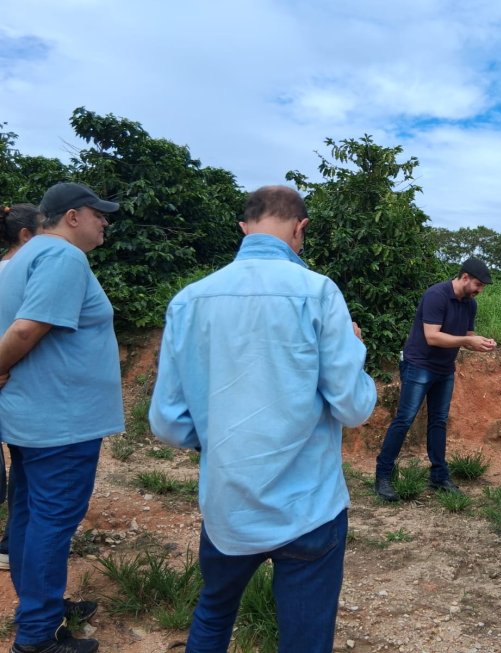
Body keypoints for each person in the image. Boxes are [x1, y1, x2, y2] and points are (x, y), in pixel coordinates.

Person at [149, 185, 377, 653]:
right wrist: (355, 349)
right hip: (309, 509)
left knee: (213, 615)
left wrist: (222, 438)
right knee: (305, 641)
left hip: (228, 507)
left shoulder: (190, 300)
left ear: (244, 227)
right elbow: (353, 408)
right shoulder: (317, 292)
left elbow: (168, 423)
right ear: (301, 228)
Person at [0, 183, 124, 653]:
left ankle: (39, 606)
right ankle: (36, 637)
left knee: (30, 517)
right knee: (52, 521)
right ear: (72, 216)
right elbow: (28, 328)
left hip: (34, 415)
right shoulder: (63, 258)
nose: (105, 222)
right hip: (61, 422)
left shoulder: (21, 259)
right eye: (99, 214)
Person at [374, 257, 497, 502]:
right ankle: (383, 476)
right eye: (478, 285)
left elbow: (467, 336)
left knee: (439, 421)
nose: (479, 291)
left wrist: (480, 343)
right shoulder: (436, 295)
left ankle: (439, 476)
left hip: (444, 369)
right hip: (419, 365)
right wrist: (466, 341)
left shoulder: (469, 304)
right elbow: (432, 337)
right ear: (464, 277)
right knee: (405, 419)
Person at [0, 204, 40, 573]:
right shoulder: (23, 273)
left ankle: (13, 543)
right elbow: (24, 331)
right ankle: (13, 544)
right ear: (26, 235)